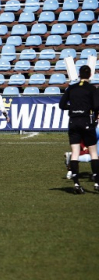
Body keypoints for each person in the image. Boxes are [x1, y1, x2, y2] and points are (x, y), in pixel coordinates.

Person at [58, 65, 99, 194]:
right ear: (90, 75)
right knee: (93, 152)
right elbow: (96, 105)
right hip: (86, 121)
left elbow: (61, 104)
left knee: (75, 153)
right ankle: (97, 182)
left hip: (73, 122)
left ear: (79, 74)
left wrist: (72, 108)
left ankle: (76, 184)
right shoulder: (92, 89)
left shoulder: (71, 88)